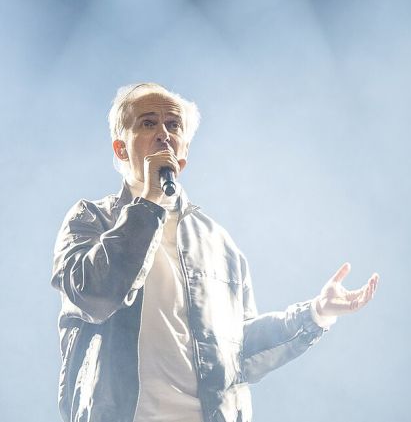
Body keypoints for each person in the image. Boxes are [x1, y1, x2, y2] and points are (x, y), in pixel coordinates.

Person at [51, 83, 379, 422]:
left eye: (173, 125)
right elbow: (95, 294)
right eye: (148, 123)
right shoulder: (91, 220)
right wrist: (149, 202)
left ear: (184, 152)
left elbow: (237, 351)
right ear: (121, 148)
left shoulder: (218, 243)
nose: (164, 134)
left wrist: (316, 313)